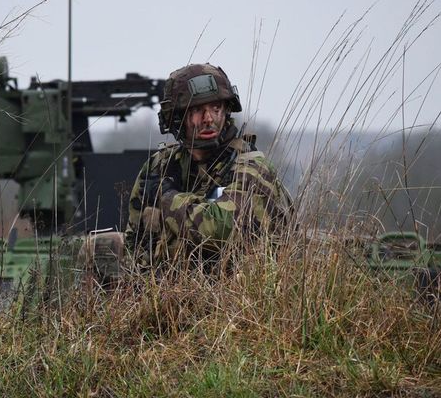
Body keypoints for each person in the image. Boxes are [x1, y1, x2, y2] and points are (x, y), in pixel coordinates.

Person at [80, 63, 293, 284]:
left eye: (216, 108)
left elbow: (220, 229)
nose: (209, 118)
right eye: (198, 110)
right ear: (178, 117)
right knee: (97, 248)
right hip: (170, 282)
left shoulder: (250, 166)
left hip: (235, 286)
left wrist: (168, 198)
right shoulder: (161, 164)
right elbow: (137, 238)